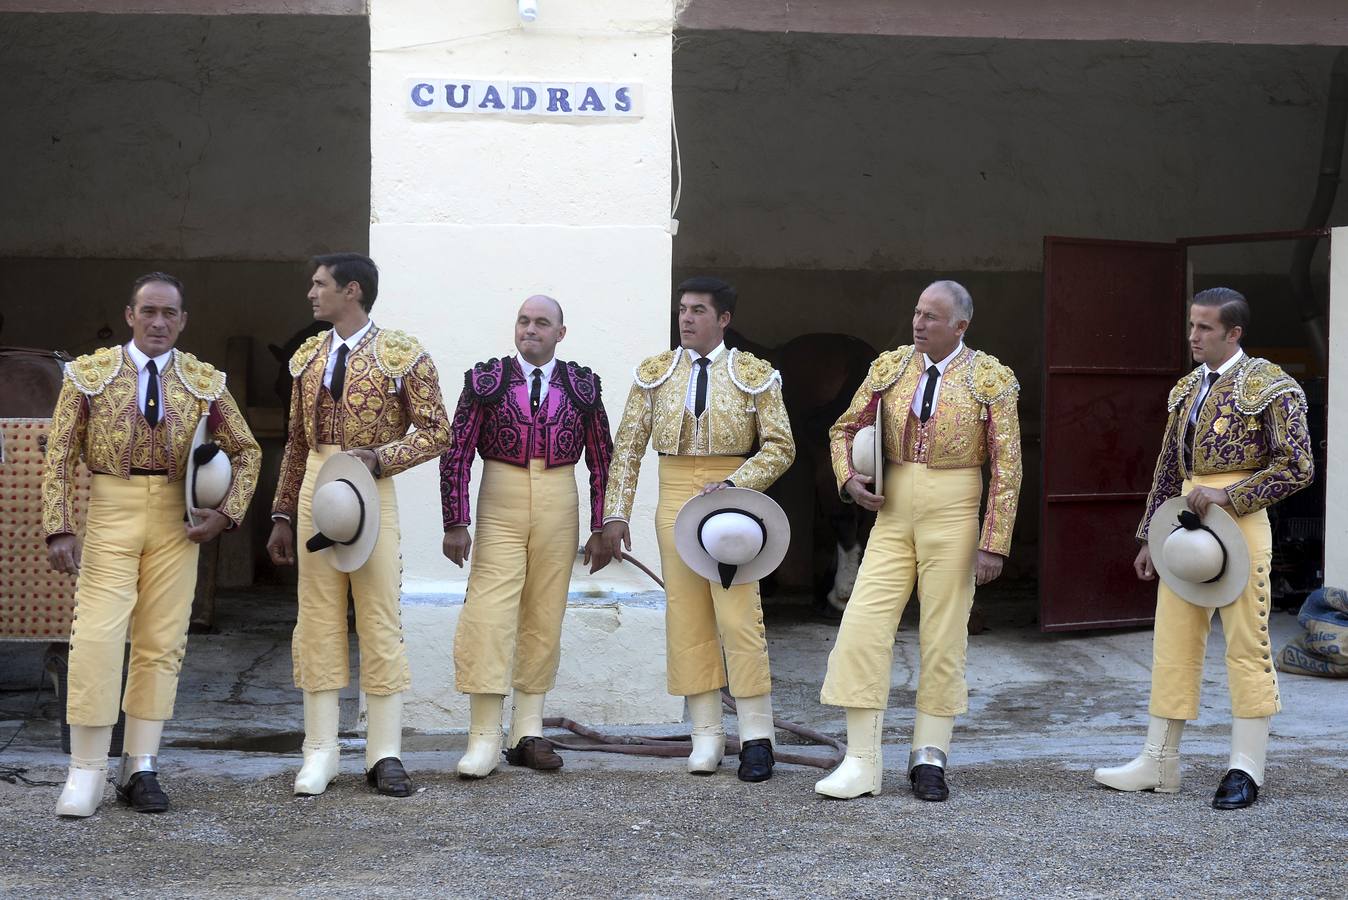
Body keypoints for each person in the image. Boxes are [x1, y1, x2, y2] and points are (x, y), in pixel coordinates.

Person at [45, 272, 261, 817]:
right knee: (96, 635)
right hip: (111, 510)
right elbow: (59, 457)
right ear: (130, 315)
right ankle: (86, 769)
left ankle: (140, 764)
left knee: (161, 640)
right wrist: (61, 526)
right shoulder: (89, 374)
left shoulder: (203, 380)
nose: (159, 322)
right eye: (149, 311)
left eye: (169, 313)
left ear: (183, 321)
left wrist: (227, 514)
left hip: (175, 516)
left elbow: (248, 451)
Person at [1094, 287, 1313, 809]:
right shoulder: (1186, 388)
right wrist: (1151, 534)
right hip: (1187, 522)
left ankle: (1245, 769)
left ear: (1234, 333)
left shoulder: (1272, 385)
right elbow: (1169, 467)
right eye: (1192, 326)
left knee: (1247, 644)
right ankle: (1158, 761)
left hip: (1241, 525)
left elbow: (1298, 466)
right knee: (1172, 641)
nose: (1193, 336)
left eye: (1205, 328)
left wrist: (1231, 494)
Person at [815, 280, 1021, 801]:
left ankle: (930, 755)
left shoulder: (990, 379)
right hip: (893, 514)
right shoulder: (888, 367)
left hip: (954, 515)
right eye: (916, 312)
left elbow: (1008, 468)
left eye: (932, 316)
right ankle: (862, 760)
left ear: (960, 326)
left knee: (943, 636)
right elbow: (843, 429)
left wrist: (994, 540)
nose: (918, 323)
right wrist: (848, 478)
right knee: (861, 628)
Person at [266, 253, 451, 797]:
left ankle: (384, 752)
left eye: (319, 284)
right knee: (316, 616)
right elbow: (298, 443)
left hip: (372, 485)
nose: (310, 293)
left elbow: (438, 429)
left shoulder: (401, 353)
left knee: (379, 615)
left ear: (352, 290)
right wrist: (281, 513)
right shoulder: (306, 357)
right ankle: (319, 750)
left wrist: (380, 458)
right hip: (317, 484)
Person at [600, 276, 795, 782]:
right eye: (683, 309)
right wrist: (615, 514)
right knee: (686, 618)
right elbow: (627, 447)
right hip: (672, 499)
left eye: (698, 311)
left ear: (724, 319)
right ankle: (705, 735)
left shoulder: (755, 373)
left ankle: (756, 736)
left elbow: (780, 446)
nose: (686, 318)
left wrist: (734, 480)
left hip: (731, 503)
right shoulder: (655, 373)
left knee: (738, 618)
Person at [439, 295, 614, 777]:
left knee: (545, 609)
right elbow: (457, 453)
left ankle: (527, 732)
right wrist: (456, 521)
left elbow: (602, 460)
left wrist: (602, 526)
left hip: (560, 495)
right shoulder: (486, 380)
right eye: (523, 321)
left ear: (561, 332)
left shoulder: (582, 384)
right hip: (501, 493)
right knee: (488, 612)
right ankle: (483, 737)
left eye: (541, 323)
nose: (530, 329)